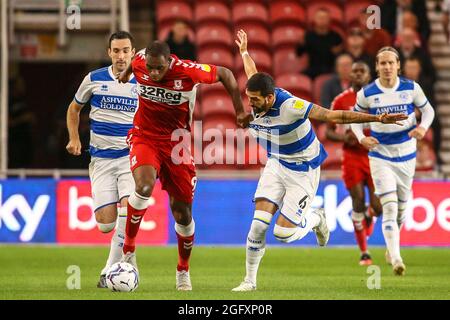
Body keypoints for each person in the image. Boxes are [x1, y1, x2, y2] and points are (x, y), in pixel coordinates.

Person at [232, 30, 408, 291]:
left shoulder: (291, 106)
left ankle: (315, 219)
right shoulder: (259, 97)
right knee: (257, 226)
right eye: (250, 98)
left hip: (303, 170)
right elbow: (252, 72)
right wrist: (245, 51)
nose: (251, 103)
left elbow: (334, 116)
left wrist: (377, 119)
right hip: (276, 164)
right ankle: (249, 281)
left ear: (269, 98)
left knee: (282, 234)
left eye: (255, 100)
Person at [117, 40, 252, 291]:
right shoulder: (139, 62)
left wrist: (239, 110)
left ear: (169, 62)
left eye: (159, 68)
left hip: (177, 145)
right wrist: (125, 74)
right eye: (150, 68)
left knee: (183, 213)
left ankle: (182, 270)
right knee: (144, 187)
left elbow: (226, 73)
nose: (154, 73)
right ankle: (128, 251)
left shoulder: (188, 71)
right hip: (144, 136)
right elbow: (134, 63)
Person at [351, 47, 435, 276]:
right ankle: (397, 258)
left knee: (401, 210)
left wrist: (422, 128)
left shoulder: (411, 88)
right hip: (380, 155)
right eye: (383, 63)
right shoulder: (367, 93)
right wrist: (361, 138)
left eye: (391, 63)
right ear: (377, 67)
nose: (387, 67)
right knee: (388, 206)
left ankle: (392, 248)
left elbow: (429, 112)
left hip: (407, 154)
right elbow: (354, 119)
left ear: (398, 65)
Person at [66, 31, 138, 288]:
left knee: (128, 210)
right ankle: (129, 257)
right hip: (101, 161)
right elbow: (74, 109)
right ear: (109, 52)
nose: (121, 56)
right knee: (107, 226)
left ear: (132, 52)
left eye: (125, 50)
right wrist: (74, 138)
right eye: (116, 51)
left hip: (131, 159)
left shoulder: (143, 82)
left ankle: (108, 271)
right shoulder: (94, 79)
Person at [326, 62, 382, 265]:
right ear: (349, 75)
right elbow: (328, 130)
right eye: (355, 71)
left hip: (376, 155)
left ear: (369, 75)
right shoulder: (341, 100)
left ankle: (370, 213)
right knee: (357, 200)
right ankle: (364, 252)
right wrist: (343, 139)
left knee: (378, 206)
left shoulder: (378, 98)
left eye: (362, 71)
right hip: (352, 157)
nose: (358, 74)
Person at [296, 7, 343, 79]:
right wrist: (300, 44)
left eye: (324, 18)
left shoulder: (335, 36)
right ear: (314, 19)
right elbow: (299, 54)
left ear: (329, 20)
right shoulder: (308, 36)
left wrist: (338, 52)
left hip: (331, 70)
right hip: (313, 70)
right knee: (301, 78)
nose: (322, 20)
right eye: (320, 17)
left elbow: (341, 56)